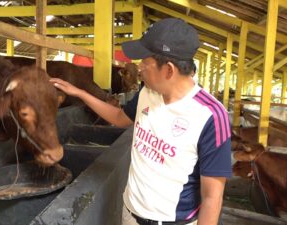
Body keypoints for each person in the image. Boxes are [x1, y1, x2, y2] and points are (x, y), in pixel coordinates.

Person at [50, 18, 231, 225]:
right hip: (130, 214)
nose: (140, 68)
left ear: (169, 70)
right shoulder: (147, 93)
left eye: (145, 62)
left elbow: (212, 197)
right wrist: (80, 93)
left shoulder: (211, 117)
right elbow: (119, 118)